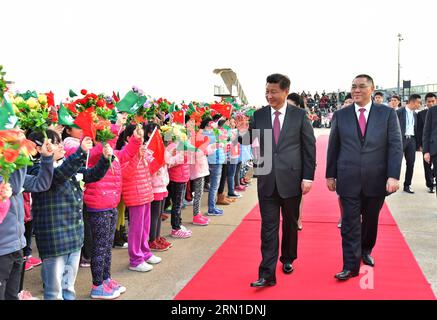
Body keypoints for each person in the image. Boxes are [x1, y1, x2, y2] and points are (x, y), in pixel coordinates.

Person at [239, 73, 316, 287]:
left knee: (290, 224)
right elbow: (251, 141)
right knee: (268, 227)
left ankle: (288, 258)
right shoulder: (260, 115)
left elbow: (309, 148)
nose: (269, 96)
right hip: (266, 178)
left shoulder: (299, 115)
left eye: (273, 91)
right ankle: (267, 273)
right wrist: (242, 130)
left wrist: (308, 177)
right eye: (266, 92)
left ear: (285, 92)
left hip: (292, 179)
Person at [326, 74, 403, 281]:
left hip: (376, 179)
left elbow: (395, 146)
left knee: (370, 220)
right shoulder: (341, 115)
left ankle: (366, 249)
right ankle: (349, 266)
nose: (356, 90)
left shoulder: (386, 114)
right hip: (348, 178)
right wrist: (330, 174)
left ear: (372, 88)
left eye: (361, 86)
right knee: (350, 222)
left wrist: (393, 176)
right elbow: (334, 147)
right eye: (353, 87)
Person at [28, 130, 112, 300]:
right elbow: (58, 176)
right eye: (54, 142)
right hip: (54, 238)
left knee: (68, 287)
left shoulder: (66, 164)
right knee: (54, 291)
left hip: (74, 235)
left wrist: (104, 159)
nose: (60, 146)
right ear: (39, 148)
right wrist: (81, 152)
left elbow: (90, 174)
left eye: (60, 142)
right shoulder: (38, 170)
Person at [0, 134, 54, 300]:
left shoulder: (11, 172)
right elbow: (15, 187)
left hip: (17, 245)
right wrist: (21, 153)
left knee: (12, 295)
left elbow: (41, 184)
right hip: (2, 250)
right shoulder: (8, 176)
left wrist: (46, 158)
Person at [397, 94, 421, 194]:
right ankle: (390, 182)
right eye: (418, 102)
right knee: (396, 162)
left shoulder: (416, 114)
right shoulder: (398, 112)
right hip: (400, 140)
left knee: (411, 163)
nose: (419, 105)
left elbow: (418, 129)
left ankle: (407, 185)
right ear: (412, 102)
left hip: (411, 140)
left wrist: (418, 143)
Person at [417, 93, 436, 193]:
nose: (431, 103)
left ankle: (433, 177)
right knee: (427, 165)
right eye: (429, 102)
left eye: (433, 101)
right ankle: (430, 184)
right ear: (426, 102)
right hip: (426, 144)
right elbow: (420, 130)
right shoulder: (421, 114)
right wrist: (420, 145)